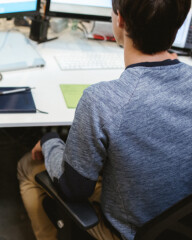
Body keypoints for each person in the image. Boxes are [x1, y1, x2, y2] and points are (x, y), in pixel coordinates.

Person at [17, 0, 192, 240]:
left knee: (28, 166)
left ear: (119, 21)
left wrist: (49, 141)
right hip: (178, 226)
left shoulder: (102, 100)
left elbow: (74, 189)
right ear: (180, 22)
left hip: (126, 232)